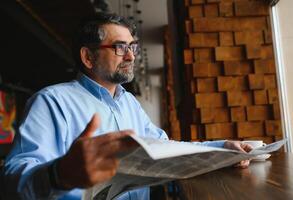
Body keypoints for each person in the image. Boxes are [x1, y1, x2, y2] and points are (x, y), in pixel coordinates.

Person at [2, 13, 252, 200]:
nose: (131, 56)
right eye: (120, 48)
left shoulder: (129, 103)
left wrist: (223, 148)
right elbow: (11, 181)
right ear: (88, 57)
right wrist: (59, 174)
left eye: (132, 47)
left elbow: (167, 148)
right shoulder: (51, 101)